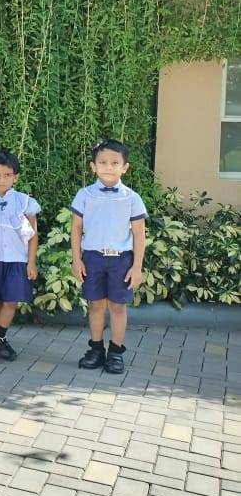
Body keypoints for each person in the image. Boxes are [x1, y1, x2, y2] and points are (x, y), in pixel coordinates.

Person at [70, 139, 147, 375]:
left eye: (115, 163)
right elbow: (76, 229)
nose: (108, 167)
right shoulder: (84, 195)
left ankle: (115, 352)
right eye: (102, 162)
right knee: (95, 305)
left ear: (125, 167)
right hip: (93, 258)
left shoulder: (132, 198)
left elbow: (139, 234)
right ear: (93, 166)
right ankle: (96, 350)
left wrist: (137, 267)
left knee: (118, 306)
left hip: (121, 260)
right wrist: (77, 259)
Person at [0, 150, 40, 361]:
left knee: (11, 300)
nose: (1, 179)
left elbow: (33, 235)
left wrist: (31, 262)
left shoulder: (25, 202)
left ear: (15, 177)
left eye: (7, 175)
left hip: (17, 259)